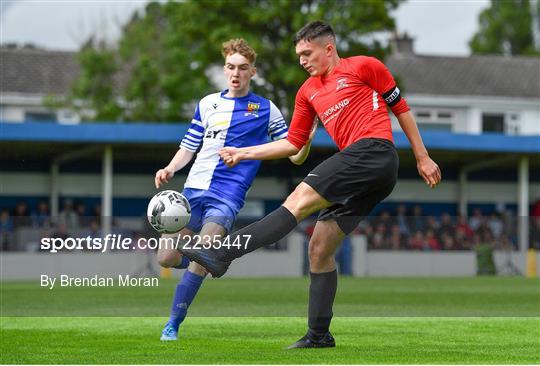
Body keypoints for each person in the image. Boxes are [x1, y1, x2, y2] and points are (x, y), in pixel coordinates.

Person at [180, 21, 441, 349]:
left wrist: (422, 156)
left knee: (298, 200)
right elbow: (292, 143)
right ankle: (319, 335)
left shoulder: (365, 66)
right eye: (298, 55)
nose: (302, 60)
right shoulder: (307, 92)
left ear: (328, 48)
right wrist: (243, 153)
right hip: (364, 172)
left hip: (374, 151)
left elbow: (400, 108)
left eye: (307, 53)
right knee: (319, 247)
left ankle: (222, 253)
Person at [154, 38, 314, 341]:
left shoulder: (266, 109)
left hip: (226, 198)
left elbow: (294, 154)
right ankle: (213, 256)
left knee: (201, 257)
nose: (235, 73)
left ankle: (172, 324)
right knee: (165, 258)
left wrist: (305, 141)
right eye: (230, 67)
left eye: (242, 68)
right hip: (191, 193)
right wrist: (170, 168)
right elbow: (189, 146)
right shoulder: (207, 103)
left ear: (252, 71)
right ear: (224, 69)